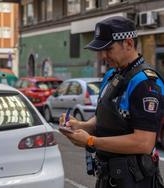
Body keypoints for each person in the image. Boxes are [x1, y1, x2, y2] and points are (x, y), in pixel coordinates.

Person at [59, 16, 164, 187]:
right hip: (108, 176)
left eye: (108, 49)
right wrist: (81, 125)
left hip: (135, 180)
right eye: (100, 50)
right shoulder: (111, 75)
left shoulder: (145, 82)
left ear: (128, 43)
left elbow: (143, 142)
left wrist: (91, 141)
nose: (103, 56)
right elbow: (107, 117)